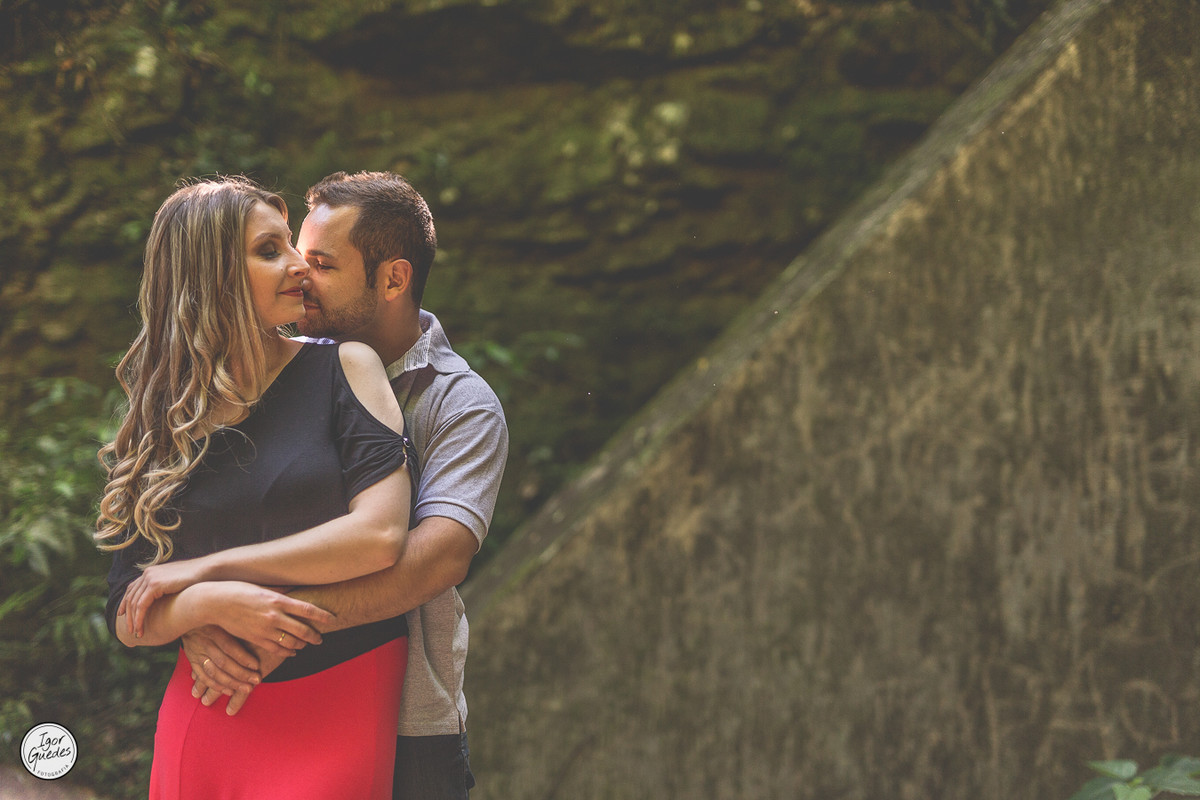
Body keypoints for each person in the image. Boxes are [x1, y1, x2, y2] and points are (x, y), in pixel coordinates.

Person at [178, 170, 509, 800]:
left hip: (411, 725)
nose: (300, 272)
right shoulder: (266, 373)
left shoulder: (460, 404)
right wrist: (198, 609)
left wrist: (256, 619)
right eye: (296, 252)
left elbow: (433, 560)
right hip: (269, 703)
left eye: (322, 262)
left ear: (392, 278)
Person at [97, 176, 420, 799]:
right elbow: (126, 609)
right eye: (270, 251)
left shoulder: (346, 367)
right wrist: (206, 606)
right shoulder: (165, 413)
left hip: (342, 698)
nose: (300, 265)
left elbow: (380, 536)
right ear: (212, 275)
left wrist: (207, 573)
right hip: (211, 703)